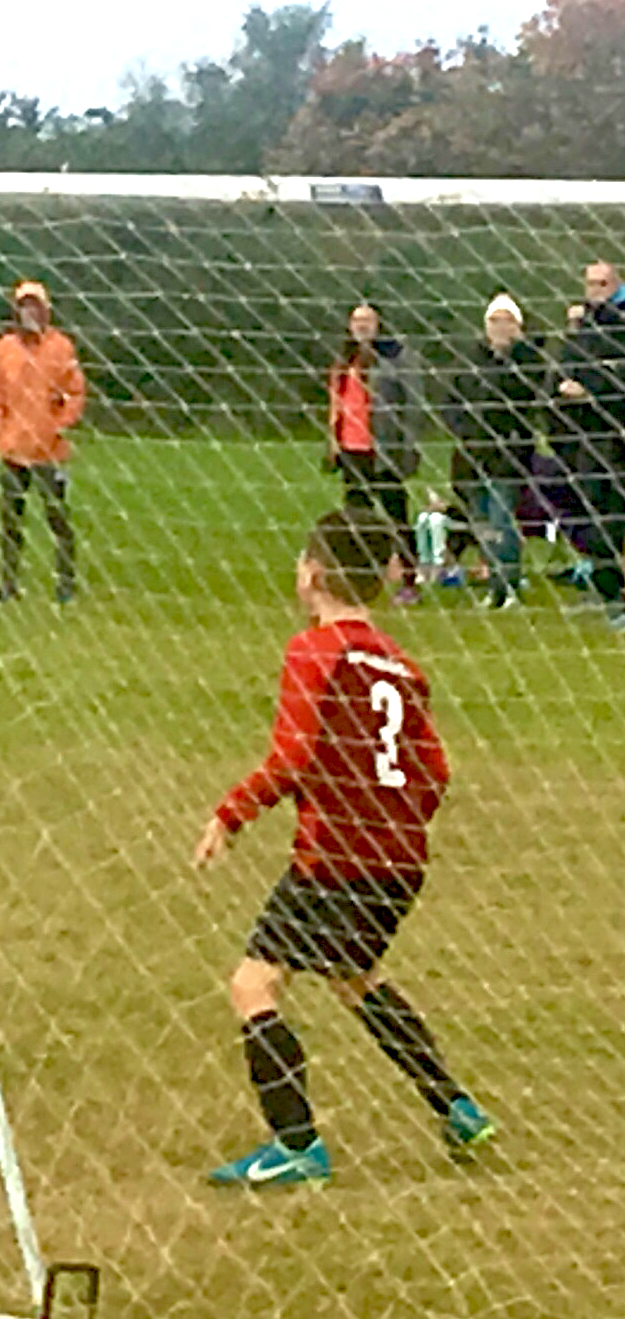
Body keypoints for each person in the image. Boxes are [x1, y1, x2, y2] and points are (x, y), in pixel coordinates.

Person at [194, 508, 495, 1189]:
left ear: (313, 574)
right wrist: (394, 820)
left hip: (334, 860)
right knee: (353, 974)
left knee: (253, 984)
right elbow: (435, 773)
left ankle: (296, 1144)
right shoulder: (400, 664)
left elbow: (293, 755)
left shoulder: (312, 651)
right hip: (400, 862)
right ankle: (456, 1107)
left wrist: (230, 814)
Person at [0, 280, 85, 603]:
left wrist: (59, 425)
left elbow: (75, 391)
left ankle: (66, 583)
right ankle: (8, 584)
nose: (29, 312)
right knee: (11, 520)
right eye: (24, 306)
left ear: (46, 309)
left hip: (49, 450)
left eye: (35, 305)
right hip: (13, 449)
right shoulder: (4, 348)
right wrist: (1, 426)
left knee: (58, 518)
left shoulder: (61, 347)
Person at [447, 294, 548, 610]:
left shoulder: (530, 359)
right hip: (473, 452)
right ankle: (494, 586)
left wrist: (510, 355)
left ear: (518, 325)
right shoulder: (470, 359)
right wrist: (463, 430)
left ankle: (511, 586)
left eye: (506, 321)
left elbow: (527, 396)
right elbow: (453, 399)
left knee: (502, 520)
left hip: (508, 452)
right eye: (493, 321)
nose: (499, 327)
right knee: (483, 524)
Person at [325, 304, 422, 604]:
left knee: (396, 515)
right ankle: (357, 579)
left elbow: (414, 403)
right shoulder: (344, 359)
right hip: (351, 448)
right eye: (356, 320)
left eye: (367, 320)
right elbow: (336, 401)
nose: (361, 325)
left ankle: (409, 579)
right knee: (355, 518)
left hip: (384, 449)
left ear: (379, 323)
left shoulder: (397, 357)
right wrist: (332, 440)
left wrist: (408, 446)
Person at [557, 263, 625, 629]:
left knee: (614, 515)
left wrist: (591, 390)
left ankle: (615, 596)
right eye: (590, 284)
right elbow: (569, 366)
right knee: (594, 510)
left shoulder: (617, 324)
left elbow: (613, 374)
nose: (594, 290)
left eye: (602, 284)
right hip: (588, 435)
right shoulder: (584, 326)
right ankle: (606, 592)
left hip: (614, 432)